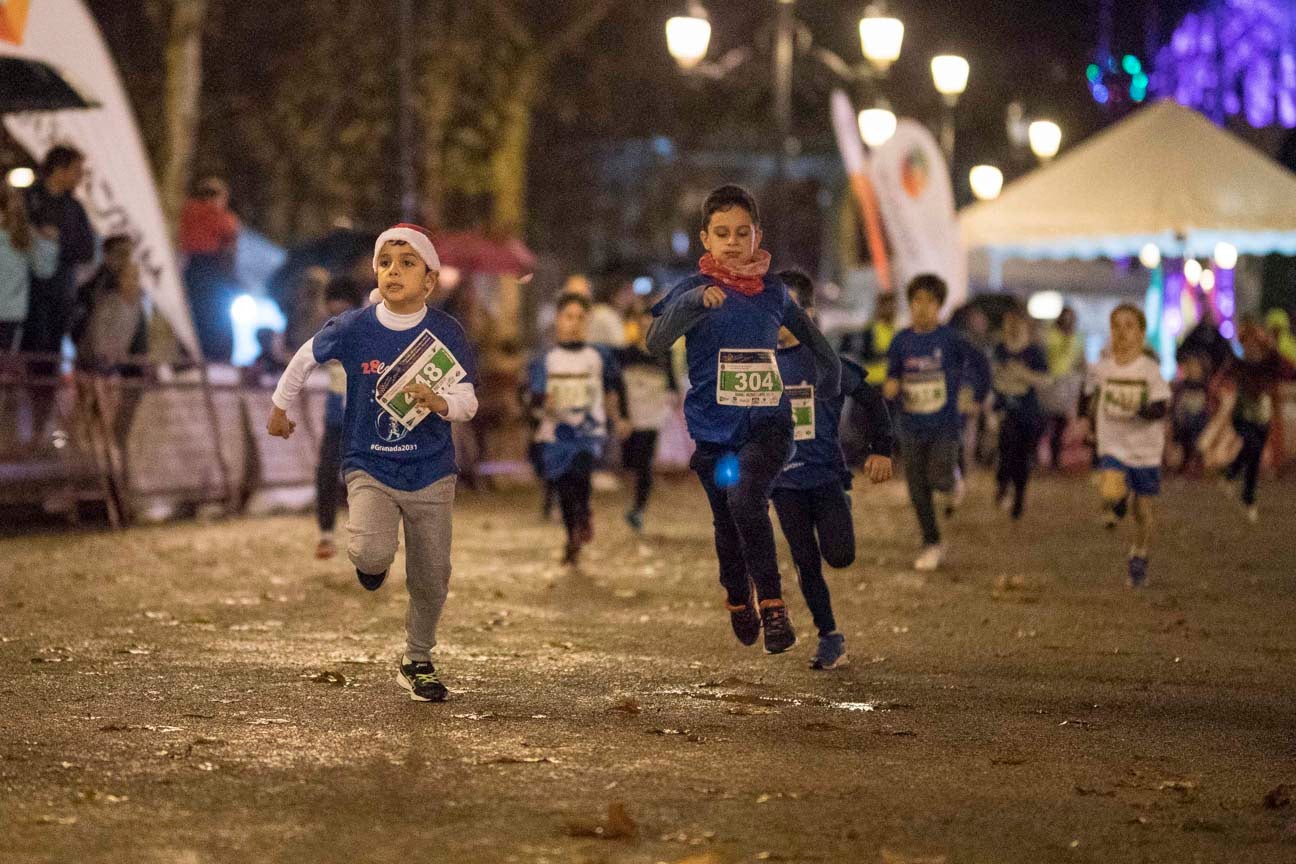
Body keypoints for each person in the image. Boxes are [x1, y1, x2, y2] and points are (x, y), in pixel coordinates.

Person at [267, 223, 478, 702]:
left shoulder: (445, 333)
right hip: (369, 465)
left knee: (432, 576)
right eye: (386, 262)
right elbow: (305, 357)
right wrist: (280, 407)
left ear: (429, 281)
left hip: (432, 471)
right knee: (369, 554)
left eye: (407, 263)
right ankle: (373, 560)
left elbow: (468, 401)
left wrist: (441, 402)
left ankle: (417, 659)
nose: (393, 271)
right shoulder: (355, 327)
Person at [646, 184, 840, 655]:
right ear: (705, 240)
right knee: (728, 517)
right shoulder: (692, 290)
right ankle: (738, 596)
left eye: (742, 232)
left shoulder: (773, 293)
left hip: (768, 426)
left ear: (758, 236)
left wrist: (830, 378)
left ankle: (773, 606)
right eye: (722, 233)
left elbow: (814, 340)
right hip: (716, 436)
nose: (732, 242)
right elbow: (655, 341)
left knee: (745, 497)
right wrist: (692, 305)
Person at [771, 270, 893, 670]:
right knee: (805, 562)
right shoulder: (757, 367)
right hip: (783, 483)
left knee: (839, 556)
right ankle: (829, 636)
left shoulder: (825, 363)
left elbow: (872, 401)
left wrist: (881, 450)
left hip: (824, 478)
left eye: (786, 310)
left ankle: (840, 510)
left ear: (807, 313)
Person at [883, 274, 990, 572]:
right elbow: (893, 375)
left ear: (940, 306)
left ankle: (953, 481)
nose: (922, 308)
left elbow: (981, 364)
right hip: (910, 425)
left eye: (930, 302)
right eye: (917, 301)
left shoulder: (951, 340)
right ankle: (932, 543)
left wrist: (978, 395)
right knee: (918, 490)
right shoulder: (901, 341)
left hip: (945, 425)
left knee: (939, 478)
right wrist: (891, 386)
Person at [527, 291, 627, 566]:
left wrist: (620, 418)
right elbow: (533, 396)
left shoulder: (599, 355)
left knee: (580, 475)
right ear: (558, 320)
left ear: (588, 321)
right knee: (563, 488)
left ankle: (583, 514)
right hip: (554, 433)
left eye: (580, 317)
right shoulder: (545, 359)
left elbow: (614, 389)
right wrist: (540, 401)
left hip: (588, 432)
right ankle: (572, 534)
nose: (573, 322)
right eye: (568, 316)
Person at [1081, 303, 1170, 587]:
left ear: (1142, 334)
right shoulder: (1101, 369)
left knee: (1143, 511)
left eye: (1129, 326)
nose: (1122, 332)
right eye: (1116, 326)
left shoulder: (1150, 371)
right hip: (1113, 445)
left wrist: (1139, 409)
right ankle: (1116, 502)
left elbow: (1161, 406)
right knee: (1110, 487)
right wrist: (1087, 419)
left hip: (1145, 450)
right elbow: (1086, 398)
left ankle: (1139, 555)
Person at [21, 146, 96, 442]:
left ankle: (38, 432)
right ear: (60, 169)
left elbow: (86, 249)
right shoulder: (28, 199)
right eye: (77, 170)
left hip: (58, 297)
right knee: (22, 359)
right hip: (25, 294)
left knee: (48, 360)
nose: (80, 177)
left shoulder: (74, 209)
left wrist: (59, 241)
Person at [73, 236, 149, 454]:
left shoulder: (115, 291)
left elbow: (128, 330)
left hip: (107, 363)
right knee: (96, 413)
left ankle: (95, 454)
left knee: (97, 413)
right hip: (106, 363)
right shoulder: (109, 289)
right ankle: (93, 454)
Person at [1218, 318, 1296, 523]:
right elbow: (1220, 379)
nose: (1251, 347)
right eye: (1247, 343)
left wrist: (1274, 346)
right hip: (1242, 416)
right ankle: (1233, 475)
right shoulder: (1238, 363)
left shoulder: (1269, 362)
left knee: (1253, 459)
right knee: (1250, 444)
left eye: (1255, 343)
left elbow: (1289, 370)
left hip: (1263, 417)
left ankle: (1246, 495)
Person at [313, 277, 365, 560]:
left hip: (365, 417)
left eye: (342, 312)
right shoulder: (326, 333)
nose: (337, 318)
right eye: (332, 312)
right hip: (336, 418)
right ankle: (325, 534)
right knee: (325, 472)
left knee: (369, 477)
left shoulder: (369, 332)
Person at [616, 304, 677, 533]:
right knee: (630, 462)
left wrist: (667, 408)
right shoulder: (626, 354)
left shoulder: (664, 354)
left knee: (643, 463)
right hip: (632, 417)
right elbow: (619, 387)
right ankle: (634, 504)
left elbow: (671, 387)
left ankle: (638, 509)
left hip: (652, 417)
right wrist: (622, 415)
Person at [990, 303, 1049, 520]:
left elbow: (1045, 380)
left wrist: (1023, 374)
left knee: (1022, 458)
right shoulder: (999, 349)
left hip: (1028, 413)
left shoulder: (1034, 352)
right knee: (1006, 450)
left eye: (1017, 323)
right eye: (1008, 323)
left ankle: (1019, 497)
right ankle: (1002, 484)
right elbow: (993, 378)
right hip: (1005, 411)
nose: (1012, 328)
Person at [179, 177, 241, 362]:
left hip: (191, 270)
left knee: (192, 317)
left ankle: (189, 357)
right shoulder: (224, 218)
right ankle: (220, 359)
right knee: (218, 320)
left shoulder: (187, 212)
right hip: (215, 271)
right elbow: (230, 246)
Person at [0, 182, 58, 352]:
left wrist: (48, 243)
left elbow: (44, 270)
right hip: (11, 314)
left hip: (9, 317)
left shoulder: (23, 237)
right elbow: (44, 270)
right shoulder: (23, 236)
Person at [1042, 306, 1084, 470]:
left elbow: (1080, 359)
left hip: (1067, 384)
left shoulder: (1077, 337)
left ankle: (1055, 458)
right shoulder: (1051, 335)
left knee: (1060, 424)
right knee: (1047, 421)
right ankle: (1046, 456)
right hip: (1051, 383)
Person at [1169, 353, 1210, 475]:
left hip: (1200, 432)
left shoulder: (1208, 390)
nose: (1192, 370)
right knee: (1174, 461)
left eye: (1196, 366)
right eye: (1190, 366)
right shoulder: (1178, 388)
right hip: (1180, 433)